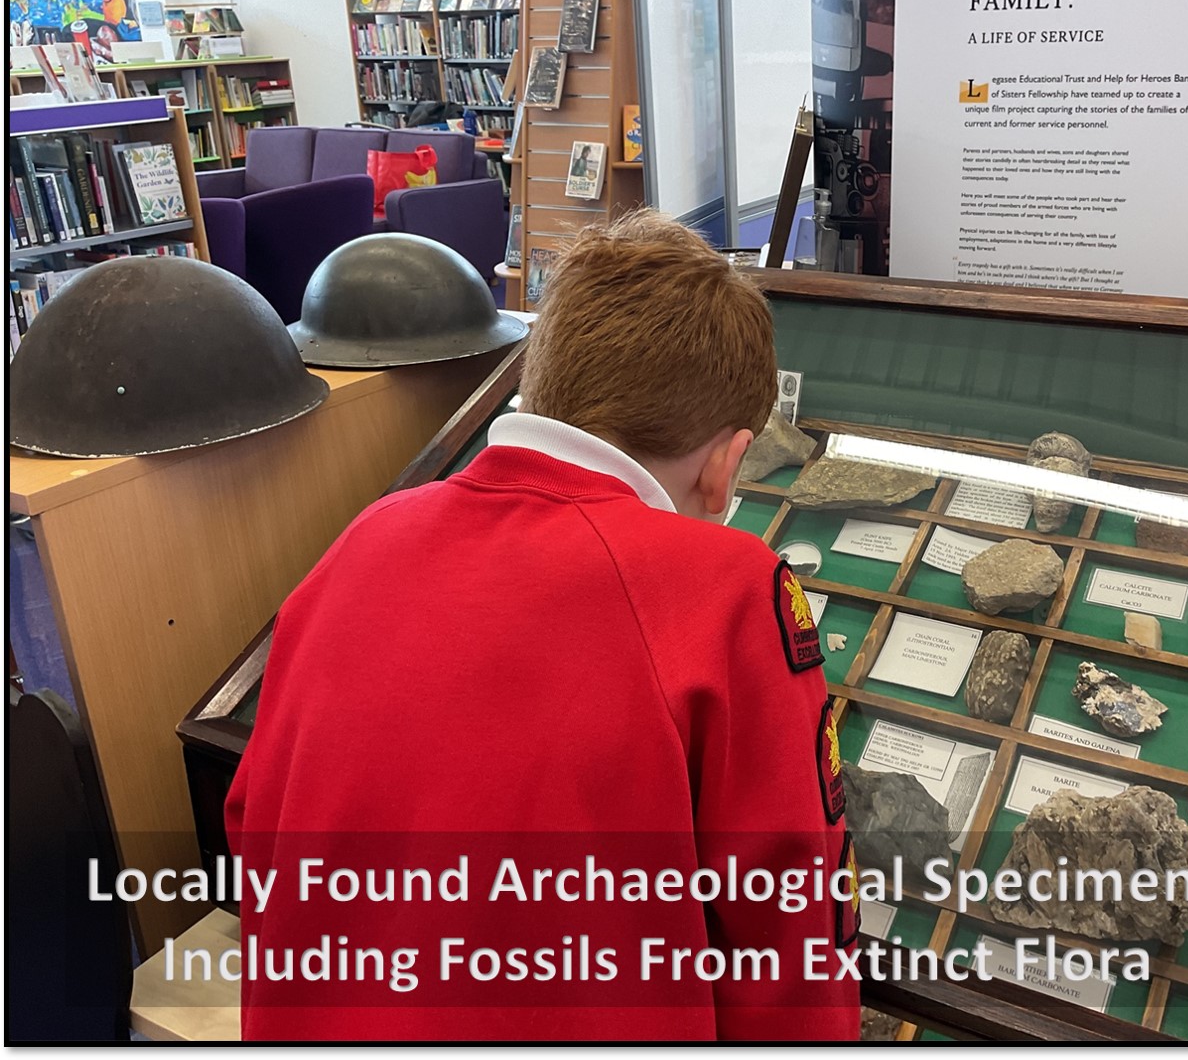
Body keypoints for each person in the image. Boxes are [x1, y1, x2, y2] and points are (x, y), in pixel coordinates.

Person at [226, 211, 860, 1041]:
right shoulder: (727, 587)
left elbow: (254, 823)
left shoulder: (365, 537)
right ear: (726, 464)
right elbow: (787, 937)